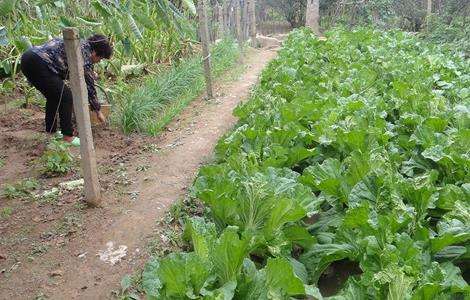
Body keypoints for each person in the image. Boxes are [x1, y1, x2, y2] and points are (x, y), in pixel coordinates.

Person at [20, 34, 113, 146]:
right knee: (67, 97)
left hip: (28, 58)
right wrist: (98, 111)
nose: (98, 61)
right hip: (39, 63)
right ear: (95, 52)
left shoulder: (80, 44)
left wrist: (89, 72)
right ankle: (67, 136)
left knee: (54, 96)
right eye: (100, 58)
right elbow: (89, 85)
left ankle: (51, 132)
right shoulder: (85, 54)